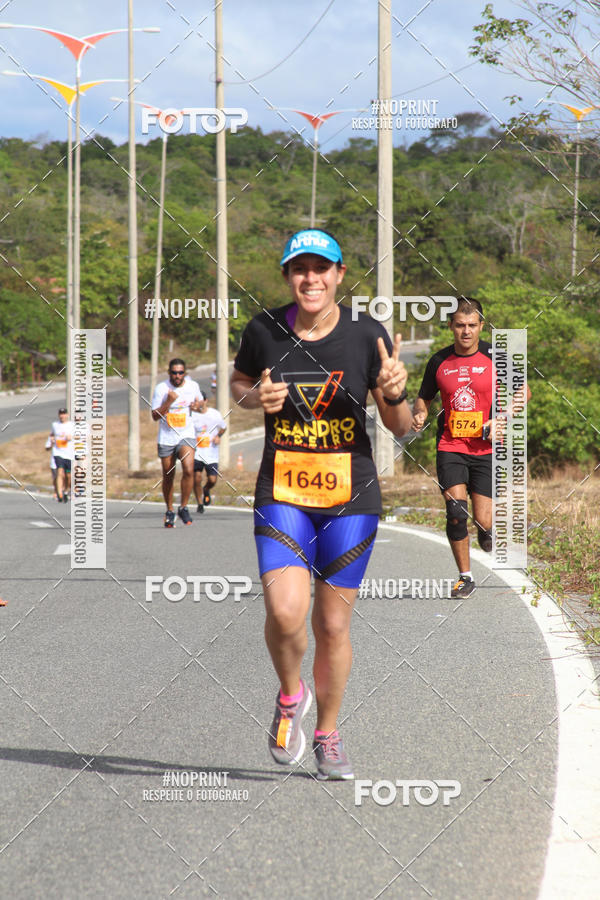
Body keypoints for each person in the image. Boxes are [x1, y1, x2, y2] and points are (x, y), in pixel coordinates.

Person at [231, 228, 411, 780]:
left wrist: (397, 391)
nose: (310, 279)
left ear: (338, 275)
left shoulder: (365, 336)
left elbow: (399, 427)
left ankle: (328, 732)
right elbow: (239, 383)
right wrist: (251, 398)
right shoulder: (263, 329)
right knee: (285, 613)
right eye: (299, 269)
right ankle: (291, 696)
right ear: (288, 276)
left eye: (321, 268)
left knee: (333, 625)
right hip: (282, 490)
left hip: (349, 497)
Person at [411, 297, 530, 598]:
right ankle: (465, 576)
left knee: (484, 521)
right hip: (450, 445)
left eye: (472, 325)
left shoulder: (495, 355)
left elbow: (523, 391)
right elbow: (423, 397)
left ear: (481, 326)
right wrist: (420, 412)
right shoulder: (439, 361)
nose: (466, 331)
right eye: (460, 325)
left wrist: (502, 418)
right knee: (455, 511)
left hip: (487, 449)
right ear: (451, 326)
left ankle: (487, 533)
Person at [151, 359, 202, 527]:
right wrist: (168, 402)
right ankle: (170, 510)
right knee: (168, 474)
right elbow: (155, 416)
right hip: (166, 437)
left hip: (186, 435)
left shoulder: (192, 386)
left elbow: (200, 404)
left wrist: (197, 406)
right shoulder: (161, 388)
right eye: (174, 372)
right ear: (169, 373)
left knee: (188, 469)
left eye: (180, 372)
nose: (177, 376)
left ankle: (184, 507)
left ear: (185, 373)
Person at [191, 391, 227, 513]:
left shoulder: (214, 414)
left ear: (205, 401)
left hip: (211, 453)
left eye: (200, 400)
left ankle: (206, 490)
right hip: (196, 452)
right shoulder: (191, 416)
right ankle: (200, 503)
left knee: (212, 480)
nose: (197, 403)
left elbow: (223, 427)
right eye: (195, 401)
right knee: (196, 478)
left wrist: (218, 436)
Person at [49, 407, 73, 502]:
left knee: (68, 475)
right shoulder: (55, 425)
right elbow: (52, 434)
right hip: (58, 452)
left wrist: (72, 437)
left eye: (64, 414)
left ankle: (66, 490)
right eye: (60, 414)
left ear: (67, 415)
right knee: (59, 472)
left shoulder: (72, 425)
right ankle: (59, 493)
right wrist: (52, 439)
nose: (62, 416)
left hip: (69, 453)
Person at [45, 435, 58, 500]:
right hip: (54, 460)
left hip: (66, 458)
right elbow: (47, 448)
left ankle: (66, 491)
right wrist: (52, 444)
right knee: (55, 477)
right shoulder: (52, 436)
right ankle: (56, 492)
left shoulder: (68, 433)